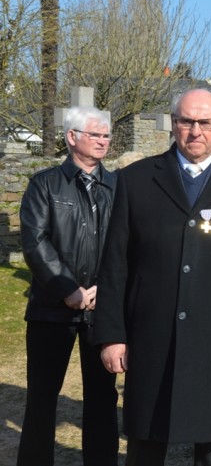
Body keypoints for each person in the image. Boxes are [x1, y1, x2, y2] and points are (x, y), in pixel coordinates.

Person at [94, 88, 211, 466]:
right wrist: (112, 335)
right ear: (173, 124)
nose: (195, 131)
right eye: (186, 121)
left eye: (205, 122)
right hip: (152, 339)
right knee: (146, 442)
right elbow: (115, 265)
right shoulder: (135, 180)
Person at [17, 107, 119, 466]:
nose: (103, 141)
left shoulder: (118, 186)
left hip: (103, 310)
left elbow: (128, 245)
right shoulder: (44, 184)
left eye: (106, 135)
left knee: (103, 398)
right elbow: (35, 241)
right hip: (51, 308)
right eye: (95, 134)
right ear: (72, 137)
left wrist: (104, 291)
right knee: (42, 398)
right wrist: (68, 289)